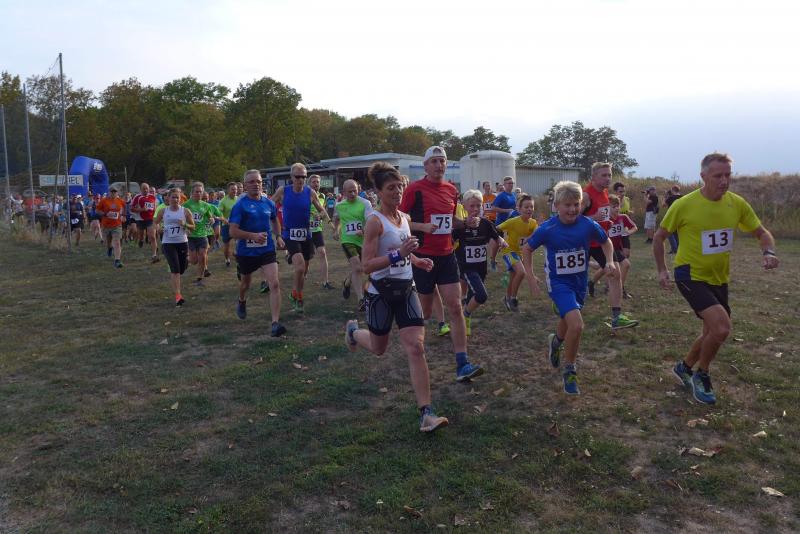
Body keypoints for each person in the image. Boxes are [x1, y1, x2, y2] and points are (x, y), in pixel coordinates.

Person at [654, 152, 779, 405]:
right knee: (721, 328)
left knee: (711, 332)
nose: (724, 181)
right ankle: (702, 374)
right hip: (689, 274)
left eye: (728, 175)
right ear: (703, 176)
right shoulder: (684, 205)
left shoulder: (736, 203)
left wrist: (769, 252)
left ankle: (684, 367)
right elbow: (659, 237)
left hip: (719, 277)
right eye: (718, 176)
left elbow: (762, 233)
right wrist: (662, 270)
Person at [344, 162, 448, 433]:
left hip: (406, 289)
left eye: (400, 186)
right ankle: (353, 333)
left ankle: (426, 413)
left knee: (416, 347)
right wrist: (399, 255)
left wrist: (417, 260)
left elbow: (403, 251)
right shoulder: (374, 222)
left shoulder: (403, 217)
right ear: (378, 192)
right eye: (391, 188)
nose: (397, 192)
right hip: (381, 293)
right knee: (379, 348)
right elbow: (367, 265)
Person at [522, 180, 618, 395]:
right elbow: (527, 249)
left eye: (576, 204)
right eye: (567, 205)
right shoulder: (548, 228)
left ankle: (556, 343)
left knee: (568, 320)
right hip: (558, 283)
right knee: (577, 325)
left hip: (579, 282)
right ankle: (570, 370)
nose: (573, 209)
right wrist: (530, 276)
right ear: (556, 205)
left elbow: (606, 241)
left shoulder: (587, 224)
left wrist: (610, 261)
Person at [399, 146, 484, 382]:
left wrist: (466, 223)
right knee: (425, 312)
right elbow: (399, 220)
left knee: (455, 307)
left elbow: (450, 220)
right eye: (434, 161)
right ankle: (412, 343)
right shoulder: (415, 189)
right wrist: (422, 227)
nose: (439, 165)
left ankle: (462, 363)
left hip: (447, 256)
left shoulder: (451, 190)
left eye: (442, 161)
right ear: (425, 166)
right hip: (423, 257)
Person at [229, 170, 287, 336]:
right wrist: (253, 236)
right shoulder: (240, 205)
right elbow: (233, 231)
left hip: (267, 250)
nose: (256, 184)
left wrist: (278, 236)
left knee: (274, 284)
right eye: (252, 182)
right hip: (246, 252)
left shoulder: (268, 203)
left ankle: (275, 323)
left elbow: (274, 219)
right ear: (245, 185)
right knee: (245, 285)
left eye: (259, 181)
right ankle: (242, 300)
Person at [582, 162, 638, 329]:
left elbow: (603, 216)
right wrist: (594, 217)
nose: (608, 178)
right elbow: (571, 218)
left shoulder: (605, 192)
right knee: (575, 277)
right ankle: (565, 304)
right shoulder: (585, 195)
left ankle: (616, 317)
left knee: (615, 274)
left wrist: (607, 223)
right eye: (604, 175)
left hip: (601, 241)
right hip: (584, 242)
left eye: (609, 175)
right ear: (593, 177)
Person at [270, 163, 331, 312]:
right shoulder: (283, 191)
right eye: (297, 177)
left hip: (306, 234)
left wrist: (320, 215)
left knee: (303, 270)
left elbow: (322, 211)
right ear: (291, 177)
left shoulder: (310, 192)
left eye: (303, 177)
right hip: (289, 234)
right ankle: (297, 296)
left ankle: (297, 294)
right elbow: (269, 206)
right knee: (299, 266)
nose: (301, 179)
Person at [452, 189, 507, 335]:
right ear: (464, 206)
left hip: (481, 267)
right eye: (472, 206)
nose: (476, 209)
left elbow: (496, 235)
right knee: (482, 295)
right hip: (466, 267)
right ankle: (465, 315)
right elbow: (450, 240)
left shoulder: (486, 223)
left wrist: (501, 241)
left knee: (473, 296)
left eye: (478, 205)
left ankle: (465, 319)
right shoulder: (461, 226)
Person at [333, 179, 372, 311]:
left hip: (363, 241)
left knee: (363, 268)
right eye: (349, 191)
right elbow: (337, 218)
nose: (353, 194)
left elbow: (370, 220)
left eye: (355, 191)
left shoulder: (365, 203)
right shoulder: (339, 205)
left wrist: (364, 230)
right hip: (347, 240)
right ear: (343, 192)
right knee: (357, 267)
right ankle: (361, 299)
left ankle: (347, 282)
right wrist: (336, 230)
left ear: (358, 190)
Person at [589, 195, 637, 299]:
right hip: (607, 249)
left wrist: (628, 232)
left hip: (617, 248)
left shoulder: (623, 217)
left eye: (618, 206)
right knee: (625, 264)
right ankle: (620, 289)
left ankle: (592, 282)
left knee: (606, 268)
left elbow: (634, 227)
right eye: (613, 206)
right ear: (607, 208)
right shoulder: (604, 220)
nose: (616, 208)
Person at [154, 188, 195, 306]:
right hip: (168, 243)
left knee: (181, 269)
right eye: (173, 197)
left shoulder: (185, 211)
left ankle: (185, 262)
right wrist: (159, 229)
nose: (175, 200)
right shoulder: (163, 211)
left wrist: (185, 224)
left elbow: (193, 227)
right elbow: (155, 223)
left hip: (182, 242)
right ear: (168, 198)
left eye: (177, 197)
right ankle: (178, 296)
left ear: (181, 198)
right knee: (175, 270)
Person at [497, 194, 538, 312]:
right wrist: (500, 240)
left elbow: (537, 233)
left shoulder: (533, 223)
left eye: (531, 207)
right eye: (526, 207)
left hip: (519, 253)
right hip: (509, 251)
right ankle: (513, 298)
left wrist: (530, 236)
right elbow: (496, 229)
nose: (529, 209)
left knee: (513, 277)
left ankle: (507, 298)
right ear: (519, 209)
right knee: (521, 272)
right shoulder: (512, 221)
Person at [183, 182, 221, 287]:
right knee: (194, 260)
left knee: (203, 257)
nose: (198, 193)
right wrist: (185, 227)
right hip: (190, 236)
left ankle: (199, 278)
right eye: (196, 192)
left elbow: (209, 216)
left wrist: (211, 219)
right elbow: (181, 218)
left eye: (200, 192)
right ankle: (187, 260)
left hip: (202, 235)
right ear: (192, 192)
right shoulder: (185, 205)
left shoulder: (206, 205)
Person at [308, 174, 333, 290]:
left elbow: (323, 211)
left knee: (322, 253)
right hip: (306, 230)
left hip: (317, 229)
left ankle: (325, 282)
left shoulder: (322, 196)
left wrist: (323, 218)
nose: (316, 184)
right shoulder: (305, 195)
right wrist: (311, 214)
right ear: (309, 184)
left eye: (317, 182)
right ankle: (302, 274)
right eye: (313, 182)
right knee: (306, 258)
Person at [489, 176, 517, 270]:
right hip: (501, 223)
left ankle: (512, 261)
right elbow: (493, 208)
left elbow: (514, 208)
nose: (511, 185)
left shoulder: (514, 195)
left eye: (512, 183)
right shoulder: (501, 196)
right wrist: (507, 210)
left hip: (512, 223)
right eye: (509, 183)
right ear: (504, 185)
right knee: (497, 243)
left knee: (511, 242)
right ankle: (493, 260)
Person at [96, 186, 127, 268]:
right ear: (109, 192)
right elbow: (97, 210)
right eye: (112, 192)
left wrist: (124, 215)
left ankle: (117, 261)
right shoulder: (104, 201)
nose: (113, 193)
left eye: (115, 192)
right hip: (106, 225)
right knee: (108, 241)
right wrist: (105, 214)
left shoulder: (120, 201)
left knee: (117, 242)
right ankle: (109, 248)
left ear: (117, 193)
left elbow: (125, 207)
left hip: (117, 225)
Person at [132, 183, 160, 263]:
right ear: (140, 189)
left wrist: (156, 218)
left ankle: (154, 255)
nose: (145, 190)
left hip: (150, 219)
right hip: (140, 219)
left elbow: (155, 208)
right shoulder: (137, 197)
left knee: (152, 236)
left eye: (147, 188)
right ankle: (141, 240)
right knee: (141, 235)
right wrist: (141, 210)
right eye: (144, 189)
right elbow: (132, 209)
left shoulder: (153, 197)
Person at [218, 182, 239, 268]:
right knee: (227, 245)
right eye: (232, 189)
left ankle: (237, 254)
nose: (235, 191)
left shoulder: (239, 199)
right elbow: (219, 214)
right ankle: (227, 259)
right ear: (228, 190)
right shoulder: (223, 201)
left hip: (237, 225)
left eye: (236, 189)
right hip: (226, 226)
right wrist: (225, 221)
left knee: (239, 242)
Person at [612, 182, 633, 259]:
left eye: (624, 191)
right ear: (615, 192)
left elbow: (626, 212)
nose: (623, 193)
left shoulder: (627, 199)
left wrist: (629, 212)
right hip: (614, 233)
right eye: (620, 192)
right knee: (616, 256)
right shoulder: (610, 201)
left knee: (626, 254)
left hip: (624, 231)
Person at [664, 184, 683, 253]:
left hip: (672, 217)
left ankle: (674, 248)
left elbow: (663, 205)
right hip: (680, 216)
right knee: (676, 233)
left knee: (669, 233)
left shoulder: (670, 198)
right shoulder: (682, 197)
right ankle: (678, 248)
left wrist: (666, 197)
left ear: (672, 190)